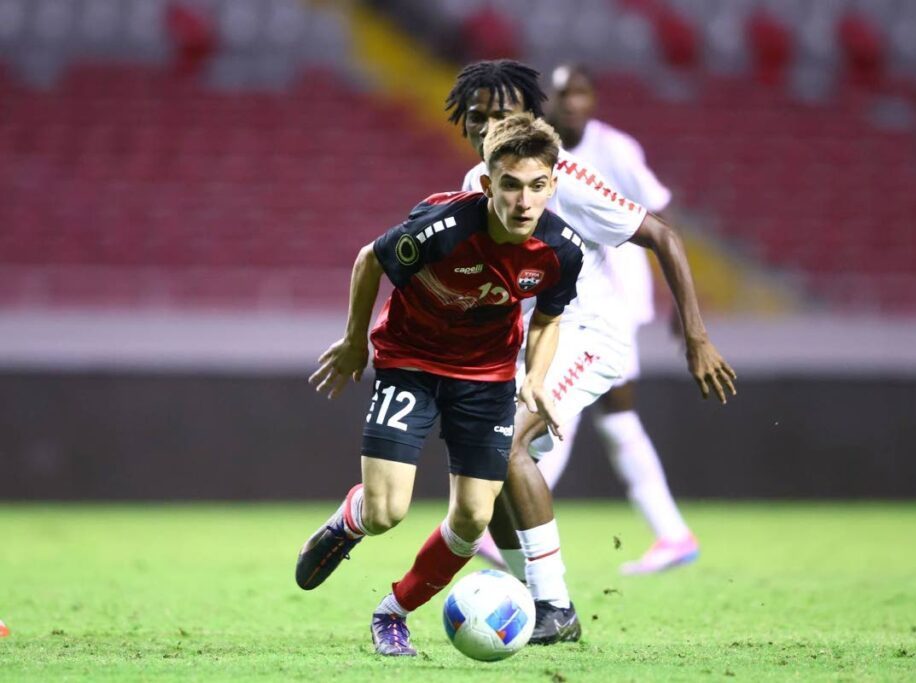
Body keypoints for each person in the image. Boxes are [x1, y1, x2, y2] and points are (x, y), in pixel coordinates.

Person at [446, 60, 737, 644]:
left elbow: (663, 234)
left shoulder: (562, 175)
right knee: (485, 460)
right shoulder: (476, 185)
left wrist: (697, 335)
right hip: (534, 342)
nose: (486, 125)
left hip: (591, 333)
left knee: (507, 447)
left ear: (527, 115)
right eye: (476, 117)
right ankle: (534, 595)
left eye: (500, 114)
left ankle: (554, 604)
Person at [294, 114, 583, 657]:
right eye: (511, 185)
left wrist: (537, 378)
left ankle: (393, 613)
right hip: (411, 363)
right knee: (386, 513)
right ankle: (347, 523)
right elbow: (369, 259)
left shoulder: (561, 251)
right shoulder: (442, 228)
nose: (524, 201)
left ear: (554, 184)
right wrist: (356, 341)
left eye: (537, 186)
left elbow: (547, 318)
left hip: (487, 379)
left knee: (474, 518)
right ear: (487, 182)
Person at [535, 63, 701, 575]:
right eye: (563, 94)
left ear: (593, 99)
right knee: (607, 415)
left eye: (580, 93)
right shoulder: (541, 153)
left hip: (614, 298)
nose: (571, 103)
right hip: (573, 296)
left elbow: (661, 219)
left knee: (566, 407)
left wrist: (680, 302)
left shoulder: (616, 150)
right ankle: (671, 533)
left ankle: (516, 523)